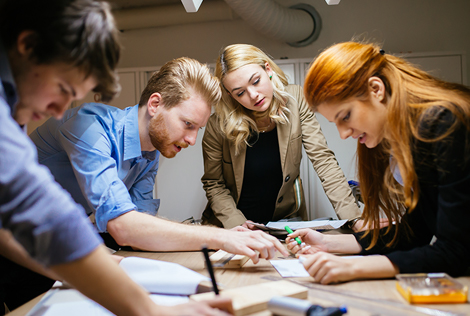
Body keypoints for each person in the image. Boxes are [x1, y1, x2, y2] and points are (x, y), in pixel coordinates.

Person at [0, 0, 230, 314]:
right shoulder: (81, 124)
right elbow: (46, 211)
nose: (57, 110)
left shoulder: (17, 102)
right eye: (63, 87)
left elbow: (30, 220)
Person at [31, 56, 289, 261]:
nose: (191, 140)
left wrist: (227, 237)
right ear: (155, 104)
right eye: (187, 124)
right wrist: (220, 237)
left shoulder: (150, 151)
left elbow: (141, 227)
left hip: (63, 239)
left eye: (196, 129)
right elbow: (124, 228)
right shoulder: (88, 126)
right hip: (20, 241)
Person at [287, 41, 470, 284]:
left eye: (346, 116)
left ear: (376, 89)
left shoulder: (445, 123)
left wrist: (354, 268)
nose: (343, 134)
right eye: (335, 123)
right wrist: (328, 243)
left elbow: (457, 252)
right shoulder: (400, 139)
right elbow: (415, 232)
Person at [200, 44, 362, 230]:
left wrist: (354, 219)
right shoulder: (217, 125)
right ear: (230, 95)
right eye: (240, 93)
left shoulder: (296, 100)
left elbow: (324, 161)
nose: (253, 95)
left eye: (255, 81)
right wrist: (238, 225)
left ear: (267, 69)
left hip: (284, 224)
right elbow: (214, 183)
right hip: (235, 227)